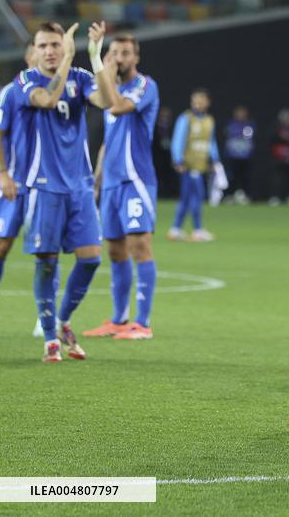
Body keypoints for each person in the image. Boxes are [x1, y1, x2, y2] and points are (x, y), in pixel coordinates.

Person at [19, 21, 119, 362]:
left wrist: (93, 55)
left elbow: (108, 100)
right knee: (46, 263)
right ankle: (49, 338)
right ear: (34, 50)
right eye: (43, 45)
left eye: (55, 45)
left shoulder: (78, 76)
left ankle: (62, 321)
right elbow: (47, 101)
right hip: (44, 187)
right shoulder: (27, 80)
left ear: (65, 47)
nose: (49, 51)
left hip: (79, 187)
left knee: (90, 259)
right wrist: (67, 61)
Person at [83, 25, 160, 340]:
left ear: (136, 56)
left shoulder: (144, 85)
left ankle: (142, 323)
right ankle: (118, 319)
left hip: (135, 180)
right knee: (115, 250)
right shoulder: (110, 90)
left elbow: (117, 106)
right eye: (114, 52)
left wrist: (100, 65)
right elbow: (107, 140)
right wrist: (97, 179)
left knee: (139, 245)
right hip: (112, 184)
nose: (119, 58)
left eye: (125, 52)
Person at [0, 41, 40, 307]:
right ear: (27, 55)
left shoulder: (55, 94)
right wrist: (3, 173)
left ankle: (46, 317)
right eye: (38, 47)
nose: (45, 53)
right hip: (14, 184)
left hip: (46, 186)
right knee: (0, 245)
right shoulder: (9, 93)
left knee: (46, 253)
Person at [168, 89, 220, 241]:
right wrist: (178, 160)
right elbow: (178, 140)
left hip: (201, 164)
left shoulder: (209, 120)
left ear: (207, 102)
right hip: (189, 165)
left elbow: (211, 142)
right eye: (195, 100)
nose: (197, 103)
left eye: (201, 100)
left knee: (186, 198)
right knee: (197, 196)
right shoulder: (186, 118)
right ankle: (197, 230)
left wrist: (214, 159)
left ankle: (175, 229)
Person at [223, 105, 256, 204]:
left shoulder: (250, 125)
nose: (241, 115)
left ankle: (244, 195)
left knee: (245, 177)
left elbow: (249, 138)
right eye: (239, 113)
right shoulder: (231, 125)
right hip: (232, 156)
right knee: (231, 177)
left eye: (243, 113)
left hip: (245, 157)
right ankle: (230, 196)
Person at [269, 108, 289, 206]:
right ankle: (277, 197)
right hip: (280, 158)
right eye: (287, 118)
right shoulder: (277, 130)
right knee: (278, 179)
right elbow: (272, 142)